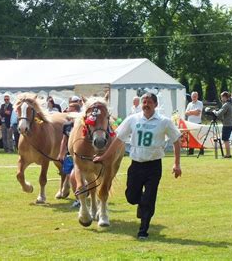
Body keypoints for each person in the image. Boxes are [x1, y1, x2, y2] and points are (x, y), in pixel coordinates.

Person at [93, 92, 182, 240]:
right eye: (144, 102)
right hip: (136, 165)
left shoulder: (164, 121)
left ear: (155, 104)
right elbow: (118, 140)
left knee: (149, 198)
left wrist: (177, 164)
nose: (146, 105)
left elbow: (176, 140)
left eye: (149, 102)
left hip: (153, 166)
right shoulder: (133, 119)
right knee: (131, 197)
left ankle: (143, 230)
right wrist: (103, 156)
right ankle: (142, 204)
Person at [57, 102, 82, 208]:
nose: (68, 111)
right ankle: (79, 198)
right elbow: (64, 140)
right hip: (69, 155)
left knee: (75, 177)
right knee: (70, 177)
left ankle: (80, 198)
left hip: (80, 156)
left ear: (76, 111)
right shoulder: (67, 125)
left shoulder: (82, 124)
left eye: (70, 109)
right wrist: (61, 153)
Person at [213, 91, 232, 159]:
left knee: (225, 140)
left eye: (221, 97)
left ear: (225, 97)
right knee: (226, 139)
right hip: (231, 124)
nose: (221, 99)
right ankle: (228, 154)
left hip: (227, 124)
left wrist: (214, 111)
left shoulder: (226, 105)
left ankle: (228, 155)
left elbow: (219, 114)